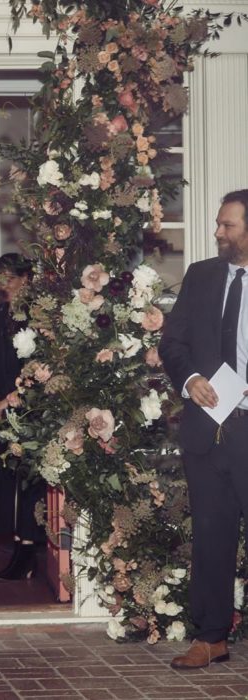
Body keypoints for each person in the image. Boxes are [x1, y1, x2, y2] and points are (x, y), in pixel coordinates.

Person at [159, 189, 248, 670]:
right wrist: (190, 379)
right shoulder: (201, 276)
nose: (218, 232)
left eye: (227, 226)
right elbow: (173, 342)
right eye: (218, 224)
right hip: (207, 428)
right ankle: (210, 637)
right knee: (211, 535)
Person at [0, 253, 45, 580]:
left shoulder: (40, 314)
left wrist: (20, 394)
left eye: (10, 277)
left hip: (30, 407)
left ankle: (28, 548)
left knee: (28, 480)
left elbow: (44, 363)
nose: (3, 285)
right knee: (8, 479)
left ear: (26, 278)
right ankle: (18, 544)